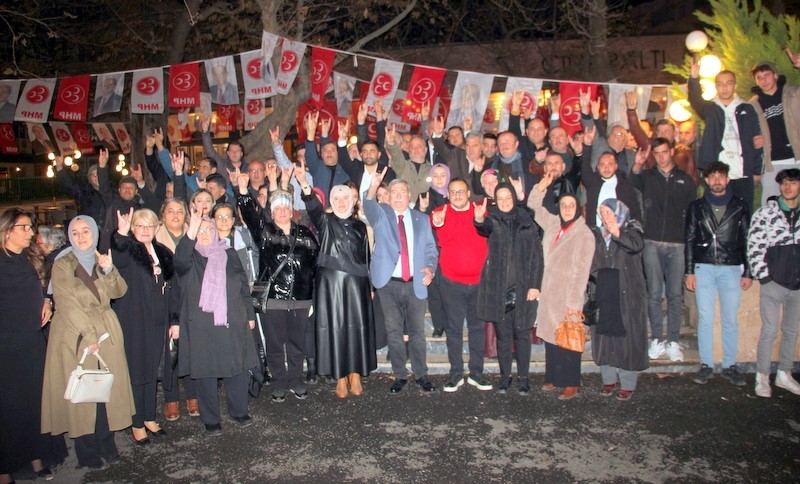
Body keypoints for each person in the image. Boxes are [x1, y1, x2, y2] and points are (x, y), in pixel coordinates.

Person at [41, 216, 136, 469]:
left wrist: (108, 269)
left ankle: (107, 441)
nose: (82, 236)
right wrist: (89, 336)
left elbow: (119, 291)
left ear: (94, 233)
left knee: (107, 389)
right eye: (76, 232)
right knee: (83, 393)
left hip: (106, 329)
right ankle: (87, 449)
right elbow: (67, 304)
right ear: (69, 235)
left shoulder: (100, 259)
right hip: (76, 333)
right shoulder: (63, 264)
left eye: (86, 231)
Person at [174, 212, 259, 435]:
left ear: (215, 232)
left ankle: (239, 411)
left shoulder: (228, 253)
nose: (204, 234)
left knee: (237, 368)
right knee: (206, 373)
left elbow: (243, 287)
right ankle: (211, 418)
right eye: (200, 231)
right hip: (202, 325)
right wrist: (190, 232)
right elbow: (179, 261)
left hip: (233, 319)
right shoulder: (190, 256)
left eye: (208, 230)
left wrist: (249, 315)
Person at [0, 210, 66, 483]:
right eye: (25, 228)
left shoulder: (31, 257)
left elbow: (44, 288)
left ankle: (36, 456)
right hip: (5, 343)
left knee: (34, 399)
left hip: (31, 340)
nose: (31, 233)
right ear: (7, 231)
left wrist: (48, 301)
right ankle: (4, 466)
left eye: (31, 227)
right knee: (7, 405)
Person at [237, 188, 319, 402]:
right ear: (271, 212)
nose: (282, 211)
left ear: (292, 210)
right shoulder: (265, 233)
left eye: (285, 207)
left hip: (301, 298)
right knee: (274, 344)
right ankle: (279, 382)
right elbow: (249, 214)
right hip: (273, 299)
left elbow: (315, 264)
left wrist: (313, 294)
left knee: (297, 343)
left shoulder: (305, 234)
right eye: (277, 208)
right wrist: (244, 192)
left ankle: (295, 380)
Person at [299, 173, 376, 398]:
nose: (341, 201)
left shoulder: (360, 226)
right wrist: (305, 184)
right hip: (331, 285)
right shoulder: (325, 221)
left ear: (352, 202)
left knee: (356, 329)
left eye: (345, 198)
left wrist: (370, 286)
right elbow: (313, 207)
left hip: (357, 284)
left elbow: (366, 256)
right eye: (337, 198)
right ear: (332, 202)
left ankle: (355, 374)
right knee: (335, 328)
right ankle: (340, 377)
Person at [364, 170, 439, 394]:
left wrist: (430, 269)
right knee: (394, 331)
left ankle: (421, 374)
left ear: (409, 196)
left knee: (417, 332)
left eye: (402, 193)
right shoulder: (381, 214)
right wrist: (372, 186)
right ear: (388, 196)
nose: (397, 196)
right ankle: (399, 375)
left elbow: (431, 251)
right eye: (394, 192)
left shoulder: (421, 219)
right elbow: (367, 206)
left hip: (415, 282)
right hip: (389, 283)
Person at [111, 208, 176, 445]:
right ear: (133, 228)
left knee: (151, 371)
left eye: (149, 225)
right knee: (138, 372)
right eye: (139, 225)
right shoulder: (128, 251)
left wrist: (174, 320)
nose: (145, 230)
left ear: (157, 227)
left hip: (160, 319)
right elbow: (116, 256)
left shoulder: (163, 253)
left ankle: (149, 416)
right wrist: (121, 233)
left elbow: (173, 287)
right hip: (135, 320)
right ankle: (137, 422)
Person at [528, 172, 595, 400]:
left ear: (577, 208)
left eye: (571, 205)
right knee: (550, 337)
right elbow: (533, 207)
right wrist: (541, 187)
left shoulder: (584, 234)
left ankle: (571, 383)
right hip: (549, 292)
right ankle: (554, 377)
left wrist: (575, 304)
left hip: (567, 294)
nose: (567, 208)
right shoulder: (554, 223)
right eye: (564, 204)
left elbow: (581, 272)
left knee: (567, 339)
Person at [685, 162, 752, 386]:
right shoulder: (697, 207)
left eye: (720, 176)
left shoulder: (740, 206)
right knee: (705, 318)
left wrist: (748, 271)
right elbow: (690, 239)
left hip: (731, 266)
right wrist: (689, 271)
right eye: (712, 177)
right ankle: (706, 364)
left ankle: (730, 365)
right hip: (704, 267)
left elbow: (746, 240)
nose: (716, 180)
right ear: (706, 180)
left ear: (727, 179)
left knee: (730, 319)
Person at [631, 139, 697, 362]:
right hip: (652, 242)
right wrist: (638, 164)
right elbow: (633, 179)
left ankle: (674, 341)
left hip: (677, 244)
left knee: (675, 296)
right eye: (656, 153)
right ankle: (657, 339)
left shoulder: (685, 180)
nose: (660, 157)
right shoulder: (648, 176)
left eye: (663, 152)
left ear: (671, 152)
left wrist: (689, 242)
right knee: (654, 294)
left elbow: (692, 214)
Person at [473, 183, 542, 394]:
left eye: (507, 197)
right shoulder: (492, 220)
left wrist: (535, 286)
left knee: (522, 335)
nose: (504, 201)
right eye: (500, 198)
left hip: (522, 290)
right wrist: (478, 219)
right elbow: (483, 228)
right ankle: (505, 378)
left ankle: (523, 378)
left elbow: (538, 258)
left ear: (514, 198)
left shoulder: (528, 222)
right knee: (503, 336)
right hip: (499, 289)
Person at [747, 168, 800, 398]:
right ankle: (762, 376)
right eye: (784, 183)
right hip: (774, 283)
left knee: (791, 331)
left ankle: (784, 373)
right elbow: (754, 246)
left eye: (793, 183)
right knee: (769, 330)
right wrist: (764, 277)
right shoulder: (766, 214)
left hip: (797, 285)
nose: (788, 187)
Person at [590, 200, 649, 401]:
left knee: (627, 337)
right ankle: (608, 380)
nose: (605, 217)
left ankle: (627, 383)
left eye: (608, 212)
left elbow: (636, 246)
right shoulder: (596, 234)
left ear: (618, 212)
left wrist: (617, 233)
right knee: (604, 335)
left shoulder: (632, 228)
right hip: (603, 290)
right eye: (602, 213)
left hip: (627, 292)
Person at [688, 62, 762, 214]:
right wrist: (694, 78)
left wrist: (756, 170)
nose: (725, 87)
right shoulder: (710, 108)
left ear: (735, 85)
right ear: (716, 87)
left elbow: (757, 140)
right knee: (717, 214)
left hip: (742, 172)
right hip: (718, 174)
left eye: (729, 83)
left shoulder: (747, 108)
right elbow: (695, 99)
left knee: (743, 214)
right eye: (720, 84)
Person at [153, 197, 199, 421]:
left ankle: (192, 395)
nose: (175, 215)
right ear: (163, 215)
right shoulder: (153, 239)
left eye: (179, 211)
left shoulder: (196, 233)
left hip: (191, 299)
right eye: (170, 211)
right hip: (165, 299)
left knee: (191, 350)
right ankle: (171, 400)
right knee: (169, 350)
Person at [750, 58, 800, 205]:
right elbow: (746, 133)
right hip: (772, 161)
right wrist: (753, 141)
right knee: (769, 204)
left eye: (766, 75)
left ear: (775, 75)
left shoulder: (794, 94)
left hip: (797, 157)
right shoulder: (753, 104)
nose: (763, 80)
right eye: (759, 78)